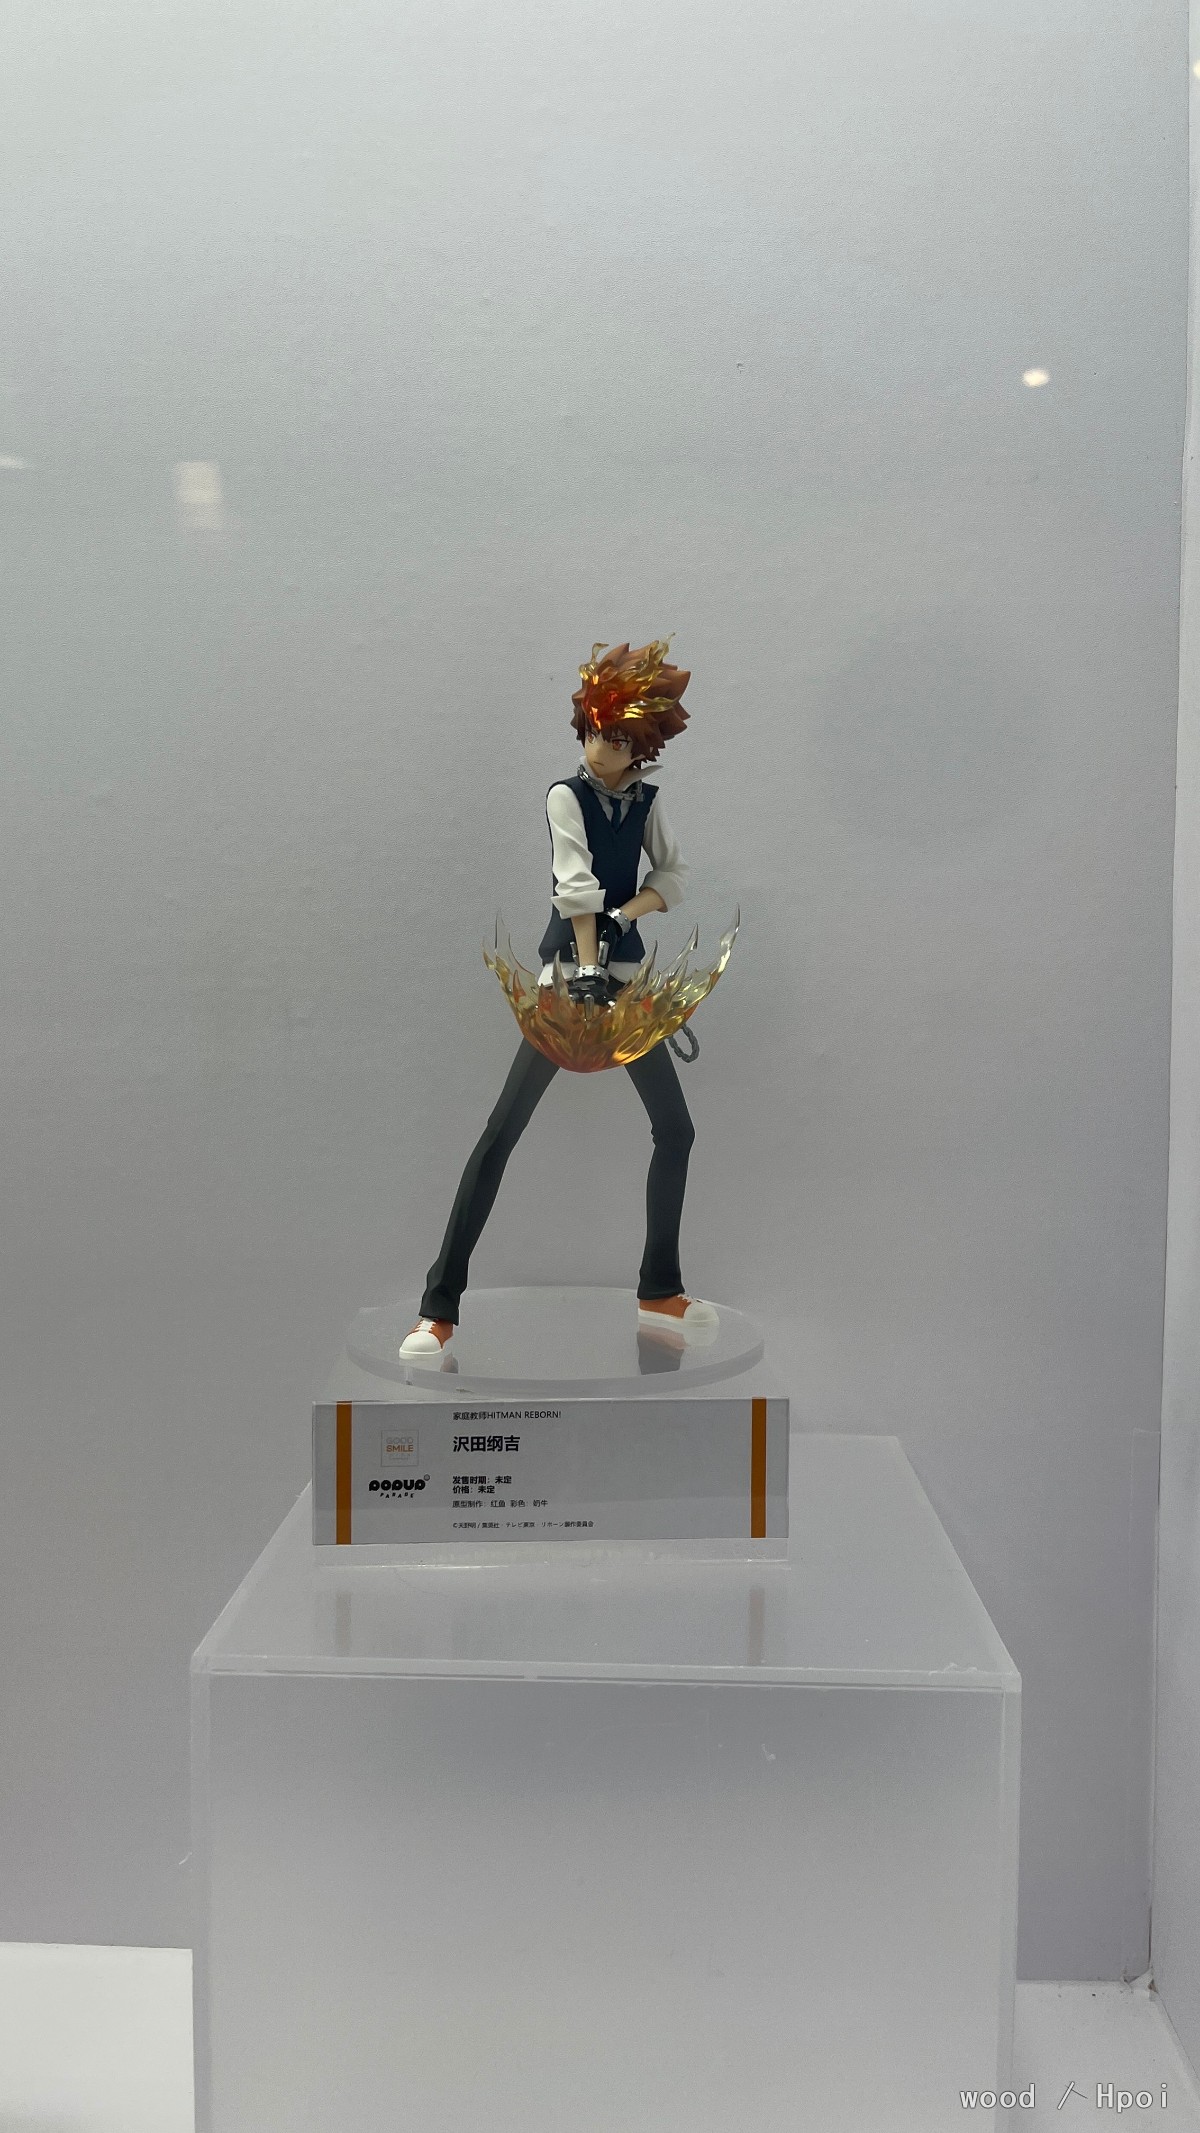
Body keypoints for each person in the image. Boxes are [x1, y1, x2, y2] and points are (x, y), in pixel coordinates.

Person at [400, 639, 718, 1360]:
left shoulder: (648, 802)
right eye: (597, 733)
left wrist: (626, 917)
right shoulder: (565, 796)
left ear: (643, 745)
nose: (602, 749)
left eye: (620, 741)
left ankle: (660, 1287)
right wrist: (586, 969)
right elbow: (573, 884)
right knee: (501, 1134)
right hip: (570, 985)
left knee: (676, 1129)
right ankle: (438, 1307)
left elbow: (672, 876)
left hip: (627, 987)